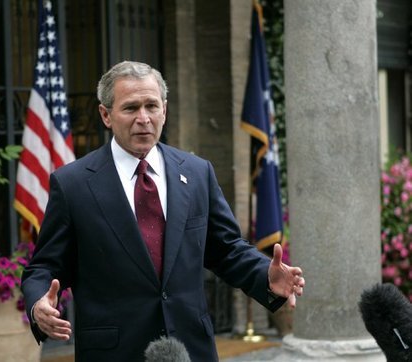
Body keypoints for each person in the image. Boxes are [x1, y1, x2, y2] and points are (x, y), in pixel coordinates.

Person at [21, 60, 305, 362]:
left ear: (164, 110)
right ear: (106, 115)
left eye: (151, 106)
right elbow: (43, 267)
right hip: (114, 352)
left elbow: (226, 250)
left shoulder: (197, 172)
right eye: (130, 108)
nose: (143, 118)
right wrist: (39, 304)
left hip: (190, 348)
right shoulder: (73, 184)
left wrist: (265, 276)